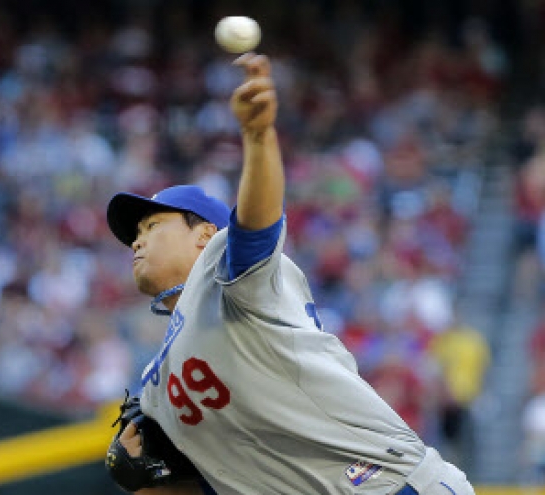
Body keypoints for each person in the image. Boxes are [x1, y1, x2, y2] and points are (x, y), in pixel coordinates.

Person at [106, 52, 475, 495]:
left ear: (204, 234)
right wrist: (139, 475)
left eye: (152, 226)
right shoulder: (155, 387)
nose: (137, 242)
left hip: (388, 486)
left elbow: (256, 227)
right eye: (136, 235)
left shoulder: (223, 276)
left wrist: (259, 137)